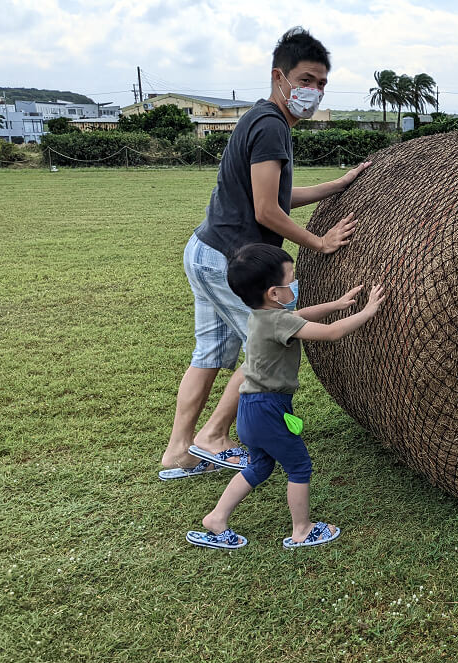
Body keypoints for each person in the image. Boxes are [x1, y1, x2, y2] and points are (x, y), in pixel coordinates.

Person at [159, 26, 371, 480]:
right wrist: (319, 241)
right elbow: (265, 210)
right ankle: (213, 437)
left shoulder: (259, 118)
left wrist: (336, 185)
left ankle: (179, 451)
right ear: (280, 77)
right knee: (260, 352)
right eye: (307, 80)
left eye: (321, 84)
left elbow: (277, 195)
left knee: (211, 353)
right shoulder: (272, 126)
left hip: (205, 251)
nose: (313, 92)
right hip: (231, 260)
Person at [186, 244, 385, 549]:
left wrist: (336, 304)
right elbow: (331, 334)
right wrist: (369, 311)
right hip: (269, 409)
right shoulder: (279, 321)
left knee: (259, 467)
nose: (295, 282)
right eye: (290, 277)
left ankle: (217, 518)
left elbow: (300, 316)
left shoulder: (260, 316)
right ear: (273, 293)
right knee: (299, 466)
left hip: (250, 409)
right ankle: (302, 529)